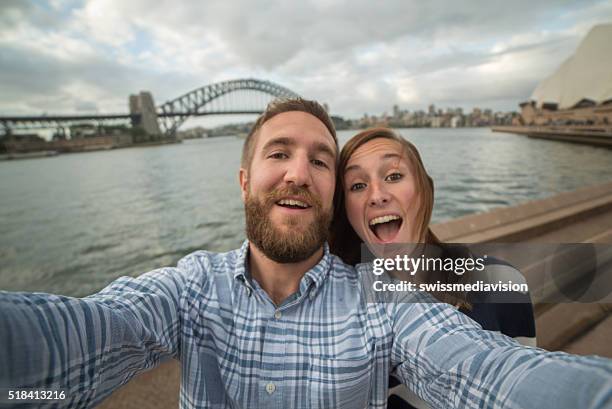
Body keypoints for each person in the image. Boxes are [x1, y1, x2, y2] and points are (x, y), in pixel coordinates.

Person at [0, 98, 611, 409]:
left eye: (320, 160)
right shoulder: (188, 290)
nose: (298, 172)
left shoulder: (412, 298)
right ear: (243, 181)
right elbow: (80, 345)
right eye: (278, 154)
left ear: (424, 187)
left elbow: (490, 373)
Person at [330, 127, 537, 409]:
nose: (377, 196)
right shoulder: (337, 321)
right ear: (347, 213)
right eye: (357, 185)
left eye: (393, 176)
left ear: (425, 190)